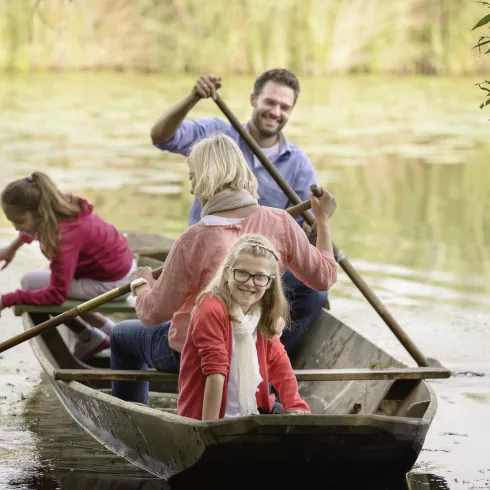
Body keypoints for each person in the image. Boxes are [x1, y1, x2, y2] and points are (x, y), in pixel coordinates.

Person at [111, 133, 337, 405]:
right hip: (260, 347)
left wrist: (142, 284)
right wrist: (323, 221)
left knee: (121, 335)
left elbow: (151, 314)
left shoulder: (193, 239)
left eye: (193, 179)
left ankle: (134, 426)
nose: (193, 190)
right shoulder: (281, 222)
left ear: (207, 179)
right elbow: (324, 277)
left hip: (196, 351)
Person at [150, 68, 328, 351]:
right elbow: (161, 137)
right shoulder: (217, 136)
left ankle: (270, 356)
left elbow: (304, 230)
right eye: (270, 102)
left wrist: (316, 227)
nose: (275, 111)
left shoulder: (298, 164)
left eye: (284, 107)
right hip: (203, 261)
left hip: (255, 274)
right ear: (253, 99)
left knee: (315, 291)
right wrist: (193, 98)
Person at [0, 172, 137, 360]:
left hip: (113, 283)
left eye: (19, 222)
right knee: (39, 282)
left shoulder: (63, 237)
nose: (16, 228)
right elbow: (32, 228)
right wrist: (12, 248)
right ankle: (111, 336)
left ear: (39, 213)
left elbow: (56, 295)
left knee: (31, 284)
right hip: (122, 268)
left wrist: (7, 299)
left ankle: (90, 337)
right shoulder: (61, 208)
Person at [178, 234, 310, 421]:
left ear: (270, 281)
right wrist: (209, 432)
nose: (249, 282)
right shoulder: (211, 308)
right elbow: (215, 371)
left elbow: (278, 361)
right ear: (227, 272)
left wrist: (295, 404)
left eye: (259, 277)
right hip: (209, 416)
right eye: (241, 272)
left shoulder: (262, 311)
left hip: (250, 412)